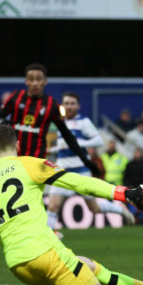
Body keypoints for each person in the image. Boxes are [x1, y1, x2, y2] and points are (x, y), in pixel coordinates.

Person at [0, 124, 143, 285]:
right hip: (44, 253)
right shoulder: (29, 164)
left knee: (87, 265)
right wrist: (124, 193)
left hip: (17, 264)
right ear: (18, 145)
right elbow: (79, 182)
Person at [46, 92, 135, 234]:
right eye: (66, 103)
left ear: (78, 106)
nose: (69, 106)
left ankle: (120, 210)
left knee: (94, 209)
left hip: (81, 170)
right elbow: (62, 145)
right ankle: (49, 239)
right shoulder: (59, 122)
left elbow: (98, 140)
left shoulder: (83, 122)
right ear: (63, 105)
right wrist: (53, 148)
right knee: (53, 206)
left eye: (72, 103)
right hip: (62, 171)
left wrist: (77, 143)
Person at [0, 63, 99, 175]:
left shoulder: (51, 104)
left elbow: (67, 135)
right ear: (26, 81)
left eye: (39, 79)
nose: (35, 83)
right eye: (31, 79)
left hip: (36, 161)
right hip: (13, 159)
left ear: (45, 81)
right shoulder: (16, 97)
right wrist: (3, 122)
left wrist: (86, 161)